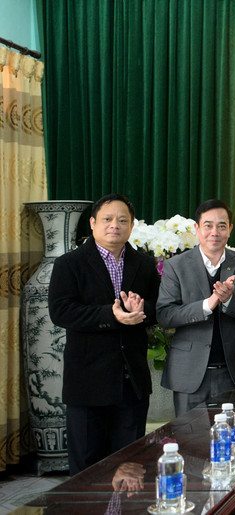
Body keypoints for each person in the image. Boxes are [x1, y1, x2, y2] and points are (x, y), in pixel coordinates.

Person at [49, 193, 160, 474]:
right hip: (87, 383)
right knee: (87, 468)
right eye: (108, 219)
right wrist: (111, 314)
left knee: (131, 465)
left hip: (130, 382)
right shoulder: (69, 264)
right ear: (92, 223)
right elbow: (61, 311)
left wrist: (141, 309)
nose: (115, 225)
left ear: (132, 226)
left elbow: (160, 308)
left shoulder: (145, 265)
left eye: (123, 220)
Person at [156, 200, 235, 417]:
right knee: (190, 441)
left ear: (230, 229)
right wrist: (207, 304)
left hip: (232, 372)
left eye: (221, 226)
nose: (214, 232)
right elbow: (165, 315)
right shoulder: (176, 266)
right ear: (196, 229)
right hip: (189, 374)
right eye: (208, 225)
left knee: (233, 441)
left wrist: (230, 300)